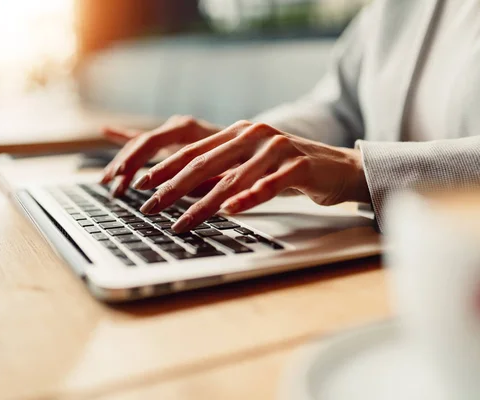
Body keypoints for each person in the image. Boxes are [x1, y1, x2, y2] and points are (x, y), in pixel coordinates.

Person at [100, 0, 480, 233]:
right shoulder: (393, 9)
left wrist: (361, 171)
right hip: (388, 264)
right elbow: (338, 107)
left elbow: (350, 156)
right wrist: (244, 148)